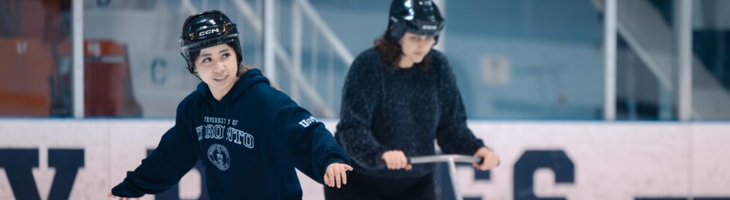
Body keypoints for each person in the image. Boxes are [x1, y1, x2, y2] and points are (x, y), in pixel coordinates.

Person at [108, 10, 352, 200]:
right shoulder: (194, 109)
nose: (219, 67)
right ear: (193, 66)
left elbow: (308, 133)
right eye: (207, 59)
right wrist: (132, 187)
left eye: (225, 55)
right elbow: (170, 157)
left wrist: (330, 159)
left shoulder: (267, 103)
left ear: (237, 54)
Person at [325, 0, 500, 199]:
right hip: (359, 181)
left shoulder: (439, 67)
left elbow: (451, 126)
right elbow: (352, 128)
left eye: (429, 38)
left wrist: (477, 149)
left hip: (415, 182)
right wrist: (379, 154)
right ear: (395, 30)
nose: (422, 45)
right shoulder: (368, 66)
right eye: (415, 37)